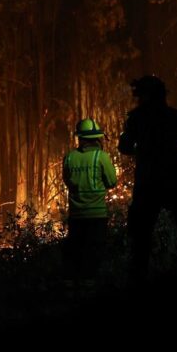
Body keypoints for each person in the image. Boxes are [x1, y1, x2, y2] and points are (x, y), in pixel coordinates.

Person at [118, 76, 177, 282]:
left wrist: (139, 143)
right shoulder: (174, 116)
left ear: (145, 95)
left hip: (147, 183)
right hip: (173, 179)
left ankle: (139, 279)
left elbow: (125, 147)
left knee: (141, 237)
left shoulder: (137, 118)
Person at [62, 118, 117, 283]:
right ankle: (93, 291)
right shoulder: (102, 157)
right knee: (95, 255)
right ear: (98, 138)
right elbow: (112, 182)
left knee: (77, 256)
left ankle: (76, 289)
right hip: (97, 215)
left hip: (76, 216)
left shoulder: (69, 158)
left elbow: (67, 181)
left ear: (80, 138)